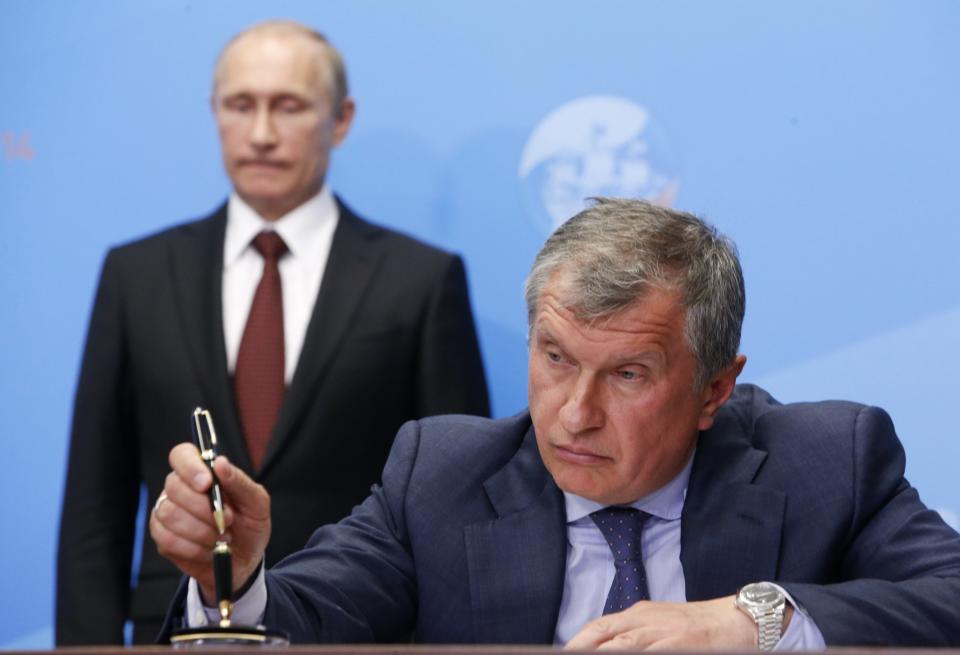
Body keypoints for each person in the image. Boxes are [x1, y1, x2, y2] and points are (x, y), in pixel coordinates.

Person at [151, 198, 960, 648]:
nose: (575, 413)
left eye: (629, 374)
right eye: (556, 358)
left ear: (715, 388)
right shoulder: (441, 474)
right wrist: (236, 575)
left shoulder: (826, 462)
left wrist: (755, 617)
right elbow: (302, 621)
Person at [56, 20, 490, 646]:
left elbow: (453, 503)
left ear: (339, 120)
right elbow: (94, 508)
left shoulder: (420, 280)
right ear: (215, 114)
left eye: (288, 107)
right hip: (178, 630)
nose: (261, 134)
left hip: (358, 628)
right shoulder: (137, 274)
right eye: (241, 106)